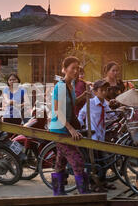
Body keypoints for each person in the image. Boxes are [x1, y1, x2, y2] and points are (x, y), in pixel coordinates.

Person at [49, 56, 89, 196]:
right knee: (77, 161)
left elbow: (71, 103)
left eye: (77, 68)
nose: (76, 70)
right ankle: (84, 194)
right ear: (64, 69)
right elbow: (58, 111)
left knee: (60, 162)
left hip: (66, 127)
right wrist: (71, 129)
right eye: (73, 68)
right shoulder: (60, 86)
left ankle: (58, 193)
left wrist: (83, 96)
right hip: (60, 129)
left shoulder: (70, 85)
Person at [78, 79, 116, 191]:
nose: (104, 93)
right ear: (95, 91)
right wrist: (80, 126)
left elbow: (111, 116)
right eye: (101, 90)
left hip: (101, 136)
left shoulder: (105, 103)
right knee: (93, 162)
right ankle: (93, 184)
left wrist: (119, 113)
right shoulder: (90, 103)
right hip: (93, 136)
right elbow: (81, 114)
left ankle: (103, 182)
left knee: (103, 161)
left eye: (106, 90)